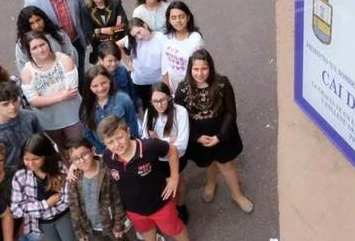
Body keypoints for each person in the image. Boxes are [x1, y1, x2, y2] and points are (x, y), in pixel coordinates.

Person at [173, 49, 252, 214]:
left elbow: (231, 112)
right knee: (208, 162)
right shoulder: (182, 88)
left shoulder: (222, 83)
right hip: (199, 137)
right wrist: (197, 137)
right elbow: (180, 117)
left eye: (204, 69)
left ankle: (237, 194)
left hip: (221, 134)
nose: (200, 73)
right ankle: (211, 183)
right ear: (190, 69)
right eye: (196, 69)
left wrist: (220, 136)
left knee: (226, 165)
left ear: (210, 68)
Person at [99, 115, 189, 241]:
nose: (116, 145)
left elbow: (172, 151)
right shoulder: (107, 157)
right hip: (134, 210)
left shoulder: (149, 146)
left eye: (119, 138)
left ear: (128, 131)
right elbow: (89, 161)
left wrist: (174, 177)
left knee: (175, 230)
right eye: (110, 142)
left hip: (161, 204)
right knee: (147, 234)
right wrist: (74, 165)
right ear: (104, 143)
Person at [19, 31, 82, 152]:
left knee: (78, 147)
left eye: (42, 44)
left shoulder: (64, 60)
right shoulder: (27, 72)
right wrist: (61, 96)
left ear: (48, 43)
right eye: (35, 48)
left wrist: (44, 98)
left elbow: (72, 90)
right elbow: (33, 101)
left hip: (72, 115)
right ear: (29, 51)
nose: (40, 50)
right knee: (62, 149)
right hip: (49, 120)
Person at [24, 0, 89, 80]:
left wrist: (86, 38)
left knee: (79, 74)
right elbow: (30, 29)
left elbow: (84, 15)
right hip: (53, 47)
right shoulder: (32, 2)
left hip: (77, 43)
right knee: (59, 78)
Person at [140, 82, 190, 223]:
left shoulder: (180, 112)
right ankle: (171, 208)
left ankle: (181, 205)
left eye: (163, 100)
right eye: (155, 101)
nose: (159, 105)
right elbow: (145, 138)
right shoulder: (149, 112)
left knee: (179, 181)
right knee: (164, 185)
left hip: (178, 159)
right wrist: (169, 140)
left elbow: (182, 144)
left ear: (169, 98)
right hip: (158, 161)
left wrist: (157, 141)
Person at [65, 138, 132, 241]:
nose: (82, 160)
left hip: (112, 225)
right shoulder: (73, 178)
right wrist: (80, 232)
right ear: (71, 161)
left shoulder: (108, 170)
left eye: (84, 154)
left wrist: (119, 224)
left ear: (92, 151)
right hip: (93, 227)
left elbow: (117, 200)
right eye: (76, 159)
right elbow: (74, 207)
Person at [11, 134, 75, 241]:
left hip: (64, 216)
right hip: (41, 223)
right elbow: (16, 209)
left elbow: (67, 198)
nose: (30, 163)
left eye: (35, 159)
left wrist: (34, 209)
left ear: (45, 156)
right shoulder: (20, 176)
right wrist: (46, 204)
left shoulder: (59, 168)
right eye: (26, 159)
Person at [0, 81, 44, 168]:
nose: (12, 107)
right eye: (5, 104)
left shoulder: (29, 116)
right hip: (12, 174)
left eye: (14, 101)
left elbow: (41, 141)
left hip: (37, 164)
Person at [80, 65, 139, 154]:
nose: (100, 88)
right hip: (105, 152)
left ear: (110, 80)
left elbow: (133, 127)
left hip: (126, 148)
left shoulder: (123, 99)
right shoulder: (86, 106)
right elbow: (87, 134)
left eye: (103, 83)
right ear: (89, 87)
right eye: (95, 86)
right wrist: (104, 152)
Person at [118, 17, 164, 112]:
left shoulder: (161, 38)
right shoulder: (132, 40)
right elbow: (117, 45)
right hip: (140, 81)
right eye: (135, 36)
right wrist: (128, 63)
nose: (138, 37)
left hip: (158, 80)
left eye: (139, 32)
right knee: (146, 106)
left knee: (161, 105)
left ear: (145, 26)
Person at [15, 6, 78, 74]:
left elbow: (71, 53)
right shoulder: (22, 44)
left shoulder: (58, 34)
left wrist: (70, 73)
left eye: (38, 20)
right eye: (31, 23)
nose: (37, 25)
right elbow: (22, 66)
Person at [161, 2, 203, 93]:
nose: (178, 21)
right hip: (172, 80)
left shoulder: (195, 39)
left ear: (188, 17)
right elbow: (164, 60)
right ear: (168, 20)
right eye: (173, 18)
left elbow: (198, 64)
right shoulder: (167, 36)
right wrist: (166, 82)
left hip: (189, 81)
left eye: (181, 16)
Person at [83, 0, 129, 64]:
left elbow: (123, 26)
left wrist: (98, 30)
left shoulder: (116, 3)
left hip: (118, 47)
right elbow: (89, 34)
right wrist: (103, 30)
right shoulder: (86, 10)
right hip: (100, 51)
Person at [97, 40, 138, 111]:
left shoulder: (123, 71)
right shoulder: (95, 78)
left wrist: (135, 109)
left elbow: (131, 92)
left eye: (116, 60)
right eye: (110, 61)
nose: (113, 64)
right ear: (101, 60)